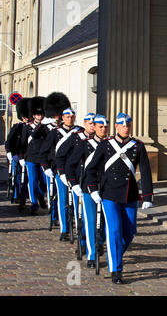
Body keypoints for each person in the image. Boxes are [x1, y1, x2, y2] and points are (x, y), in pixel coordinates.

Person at [85, 113, 154, 284]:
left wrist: (147, 195)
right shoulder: (106, 145)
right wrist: (92, 189)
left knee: (130, 232)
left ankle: (113, 255)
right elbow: (91, 168)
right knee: (114, 230)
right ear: (116, 126)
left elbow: (145, 171)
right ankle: (116, 269)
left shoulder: (137, 146)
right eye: (122, 125)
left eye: (128, 125)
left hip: (129, 195)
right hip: (110, 194)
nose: (125, 127)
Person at [66, 115, 109, 269]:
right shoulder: (85, 144)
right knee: (90, 222)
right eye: (100, 126)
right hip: (88, 187)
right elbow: (70, 165)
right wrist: (74, 183)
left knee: (105, 222)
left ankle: (101, 243)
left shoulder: (111, 144)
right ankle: (91, 254)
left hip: (106, 188)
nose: (103, 130)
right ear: (94, 127)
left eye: (105, 127)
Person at [40, 93, 78, 241]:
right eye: (67, 117)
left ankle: (77, 224)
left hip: (75, 171)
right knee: (62, 199)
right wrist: (46, 167)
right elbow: (44, 152)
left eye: (72, 116)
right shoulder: (55, 133)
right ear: (62, 117)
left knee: (76, 200)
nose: (70, 119)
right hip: (60, 171)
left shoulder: (79, 131)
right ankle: (64, 229)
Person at [55, 113, 95, 251]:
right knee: (82, 214)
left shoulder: (102, 141)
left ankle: (96, 241)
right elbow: (60, 155)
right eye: (90, 123)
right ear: (85, 124)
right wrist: (63, 174)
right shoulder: (76, 137)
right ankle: (82, 240)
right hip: (79, 178)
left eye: (94, 123)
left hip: (95, 181)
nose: (92, 126)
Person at [20, 97, 47, 215]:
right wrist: (21, 157)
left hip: (42, 158)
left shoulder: (46, 128)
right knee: (33, 180)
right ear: (34, 115)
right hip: (31, 157)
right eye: (37, 114)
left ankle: (40, 195)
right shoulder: (27, 127)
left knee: (45, 182)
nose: (39, 116)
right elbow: (22, 143)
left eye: (41, 114)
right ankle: (34, 202)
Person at [5, 98, 30, 209]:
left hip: (27, 155)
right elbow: (9, 141)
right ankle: (16, 194)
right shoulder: (17, 127)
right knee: (17, 176)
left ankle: (25, 194)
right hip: (16, 154)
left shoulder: (33, 128)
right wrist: (9, 152)